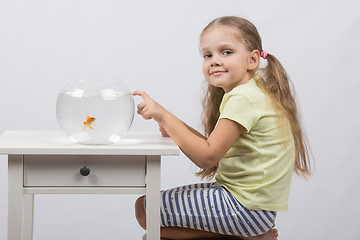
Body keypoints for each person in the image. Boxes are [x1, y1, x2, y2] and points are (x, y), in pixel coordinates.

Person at [133, 16, 311, 240]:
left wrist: (165, 116)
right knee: (150, 218)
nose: (215, 60)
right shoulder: (253, 92)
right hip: (254, 209)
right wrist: (170, 122)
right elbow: (212, 147)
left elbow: (207, 157)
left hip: (244, 209)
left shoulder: (243, 99)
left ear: (252, 59)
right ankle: (250, 236)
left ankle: (248, 238)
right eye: (208, 55)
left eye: (226, 52)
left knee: (144, 210)